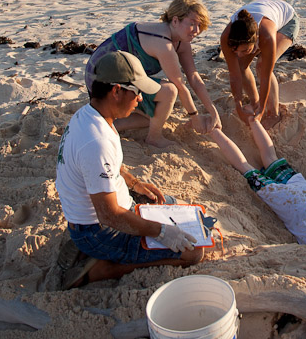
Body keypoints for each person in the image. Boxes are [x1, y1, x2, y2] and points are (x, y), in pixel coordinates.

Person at [56, 51, 203, 288]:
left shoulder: (89, 116)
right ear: (116, 90)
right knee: (193, 252)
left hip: (102, 213)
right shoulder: (96, 142)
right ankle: (104, 269)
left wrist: (134, 183)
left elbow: (108, 167)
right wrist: (162, 233)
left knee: (181, 209)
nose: (140, 98)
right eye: (136, 92)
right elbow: (109, 215)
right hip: (97, 232)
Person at [84, 0, 220, 148]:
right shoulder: (163, 44)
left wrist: (213, 111)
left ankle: (114, 123)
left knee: (157, 116)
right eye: (192, 23)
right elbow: (180, 86)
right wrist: (195, 117)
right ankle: (154, 137)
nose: (196, 30)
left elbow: (194, 77)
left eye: (200, 25)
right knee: (170, 91)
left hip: (119, 77)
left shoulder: (180, 39)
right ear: (175, 21)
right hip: (101, 81)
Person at [210, 119, 306, 249]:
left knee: (270, 157)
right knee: (244, 166)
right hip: (284, 201)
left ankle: (253, 120)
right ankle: (213, 130)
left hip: (303, 190)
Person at [220, 0, 298, 129]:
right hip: (259, 17)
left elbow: (265, 77)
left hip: (287, 20)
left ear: (256, 40)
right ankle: (255, 103)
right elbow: (234, 75)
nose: (239, 54)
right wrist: (238, 106)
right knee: (240, 66)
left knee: (261, 65)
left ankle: (273, 113)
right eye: (236, 51)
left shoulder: (266, 36)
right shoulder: (226, 37)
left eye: (245, 50)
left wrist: (262, 112)